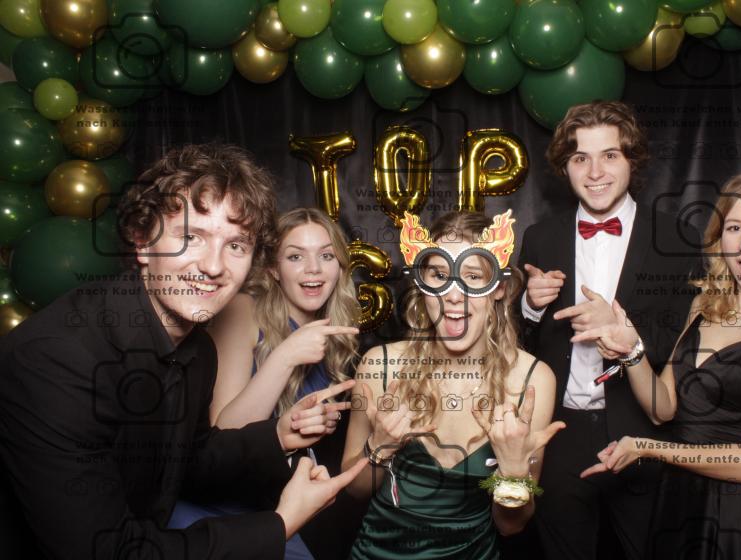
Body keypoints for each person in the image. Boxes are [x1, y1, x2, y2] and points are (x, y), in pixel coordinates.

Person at [0, 143, 366, 559]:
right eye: (191, 237)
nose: (213, 266)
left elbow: (188, 462)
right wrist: (281, 523)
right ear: (142, 241)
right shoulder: (56, 360)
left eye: (236, 245)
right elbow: (109, 552)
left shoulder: (196, 349)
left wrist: (278, 437)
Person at [574, 173, 741, 559]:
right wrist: (632, 351)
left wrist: (651, 449)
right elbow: (663, 409)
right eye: (734, 227)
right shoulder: (703, 308)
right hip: (678, 505)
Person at [517, 100, 702, 560]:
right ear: (565, 166)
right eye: (581, 157)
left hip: (642, 431)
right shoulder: (540, 237)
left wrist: (623, 331)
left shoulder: (677, 238)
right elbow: (519, 347)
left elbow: (687, 341)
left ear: (631, 161)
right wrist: (529, 306)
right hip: (560, 432)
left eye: (610, 155)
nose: (595, 171)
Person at [342, 210, 565, 559]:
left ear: (499, 288)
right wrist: (380, 447)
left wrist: (513, 472)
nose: (454, 294)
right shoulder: (381, 365)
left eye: (473, 276)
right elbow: (354, 492)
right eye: (440, 275)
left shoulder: (532, 380)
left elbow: (511, 525)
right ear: (423, 284)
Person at [169, 207, 362, 560]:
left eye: (326, 255)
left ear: (340, 267)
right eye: (295, 256)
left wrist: (310, 424)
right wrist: (285, 356)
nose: (314, 268)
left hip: (273, 509)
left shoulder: (333, 337)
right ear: (273, 268)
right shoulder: (242, 309)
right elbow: (224, 435)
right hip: (214, 514)